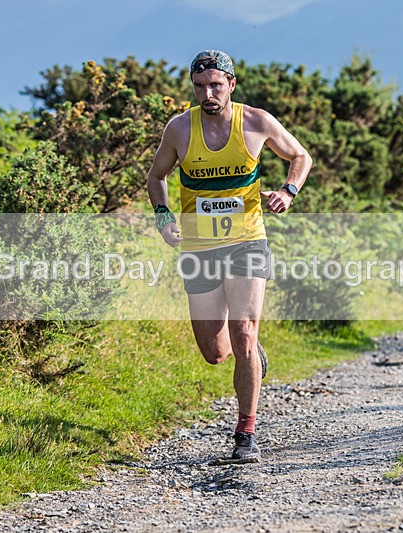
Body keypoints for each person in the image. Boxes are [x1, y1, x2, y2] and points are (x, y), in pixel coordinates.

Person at [146, 50, 312, 462]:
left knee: (243, 332)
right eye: (200, 87)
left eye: (216, 85)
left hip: (247, 242)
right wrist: (163, 216)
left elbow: (300, 156)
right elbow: (156, 176)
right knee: (215, 351)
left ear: (231, 85)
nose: (208, 94)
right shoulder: (180, 128)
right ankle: (250, 352)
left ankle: (246, 433)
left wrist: (288, 191)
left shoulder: (256, 121)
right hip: (200, 248)